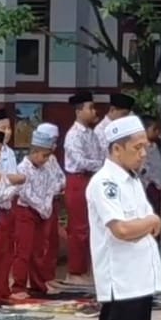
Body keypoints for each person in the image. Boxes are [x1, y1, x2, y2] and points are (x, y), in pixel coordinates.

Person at [86, 115, 161, 320]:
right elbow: (122, 228)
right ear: (117, 149)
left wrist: (146, 224)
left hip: (140, 277)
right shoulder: (105, 183)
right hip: (120, 278)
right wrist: (147, 223)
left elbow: (150, 225)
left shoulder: (131, 180)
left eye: (145, 146)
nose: (144, 152)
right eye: (137, 147)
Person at [12, 129, 66, 297]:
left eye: (48, 156)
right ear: (34, 152)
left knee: (39, 250)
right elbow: (25, 193)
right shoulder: (22, 168)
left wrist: (47, 203)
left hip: (44, 211)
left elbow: (54, 184)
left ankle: (38, 284)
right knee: (24, 250)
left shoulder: (47, 167)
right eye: (44, 156)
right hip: (26, 212)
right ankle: (18, 286)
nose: (46, 160)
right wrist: (41, 206)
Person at [0, 109, 25, 304]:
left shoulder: (8, 152)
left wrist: (11, 184)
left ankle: (1, 291)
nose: (8, 132)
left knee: (7, 253)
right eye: (3, 128)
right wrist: (12, 185)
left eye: (9, 128)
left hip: (8, 208)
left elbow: (10, 179)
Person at [63, 91, 103, 285]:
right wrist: (100, 165)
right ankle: (75, 272)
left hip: (90, 180)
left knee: (91, 226)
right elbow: (80, 161)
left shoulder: (92, 134)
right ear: (79, 111)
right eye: (90, 108)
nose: (93, 111)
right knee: (79, 228)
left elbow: (98, 156)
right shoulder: (73, 135)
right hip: (77, 181)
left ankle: (86, 269)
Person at [139, 115, 161, 212]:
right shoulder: (140, 148)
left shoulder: (154, 146)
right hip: (147, 185)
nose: (158, 132)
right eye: (155, 129)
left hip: (158, 185)